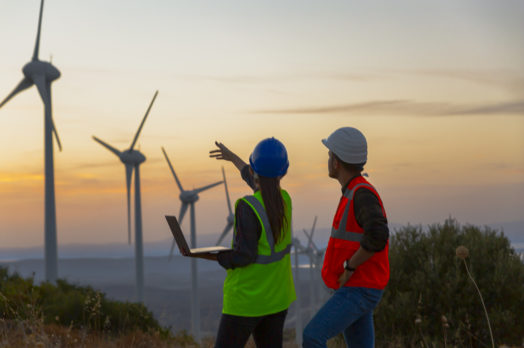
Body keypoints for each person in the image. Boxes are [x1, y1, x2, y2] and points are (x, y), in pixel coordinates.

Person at [203, 137, 296, 348]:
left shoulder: (248, 206)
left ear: (254, 172)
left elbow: (244, 255)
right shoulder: (285, 200)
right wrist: (232, 157)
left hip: (246, 301)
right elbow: (257, 177)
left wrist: (219, 256)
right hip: (277, 299)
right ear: (283, 172)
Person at [302, 127, 390, 348]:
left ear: (337, 162)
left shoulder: (361, 193)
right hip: (360, 286)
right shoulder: (355, 190)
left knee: (312, 337)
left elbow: (378, 234)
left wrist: (349, 267)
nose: (328, 159)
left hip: (359, 286)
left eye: (330, 154)